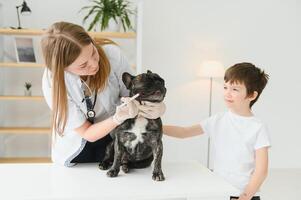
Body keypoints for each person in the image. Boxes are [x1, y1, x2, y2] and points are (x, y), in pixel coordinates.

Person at [41, 21, 165, 167]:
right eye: (83, 65)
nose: (94, 64)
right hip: (78, 149)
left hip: (115, 141)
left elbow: (132, 94)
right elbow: (87, 132)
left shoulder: (112, 55)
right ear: (64, 69)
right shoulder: (54, 81)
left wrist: (158, 106)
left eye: (93, 53)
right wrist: (118, 118)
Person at [163, 63, 270, 200]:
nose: (227, 93)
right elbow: (184, 132)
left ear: (251, 95)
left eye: (235, 89)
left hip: (243, 194)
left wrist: (245, 196)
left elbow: (261, 171)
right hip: (220, 191)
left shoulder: (258, 127)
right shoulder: (219, 119)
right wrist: (156, 127)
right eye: (225, 87)